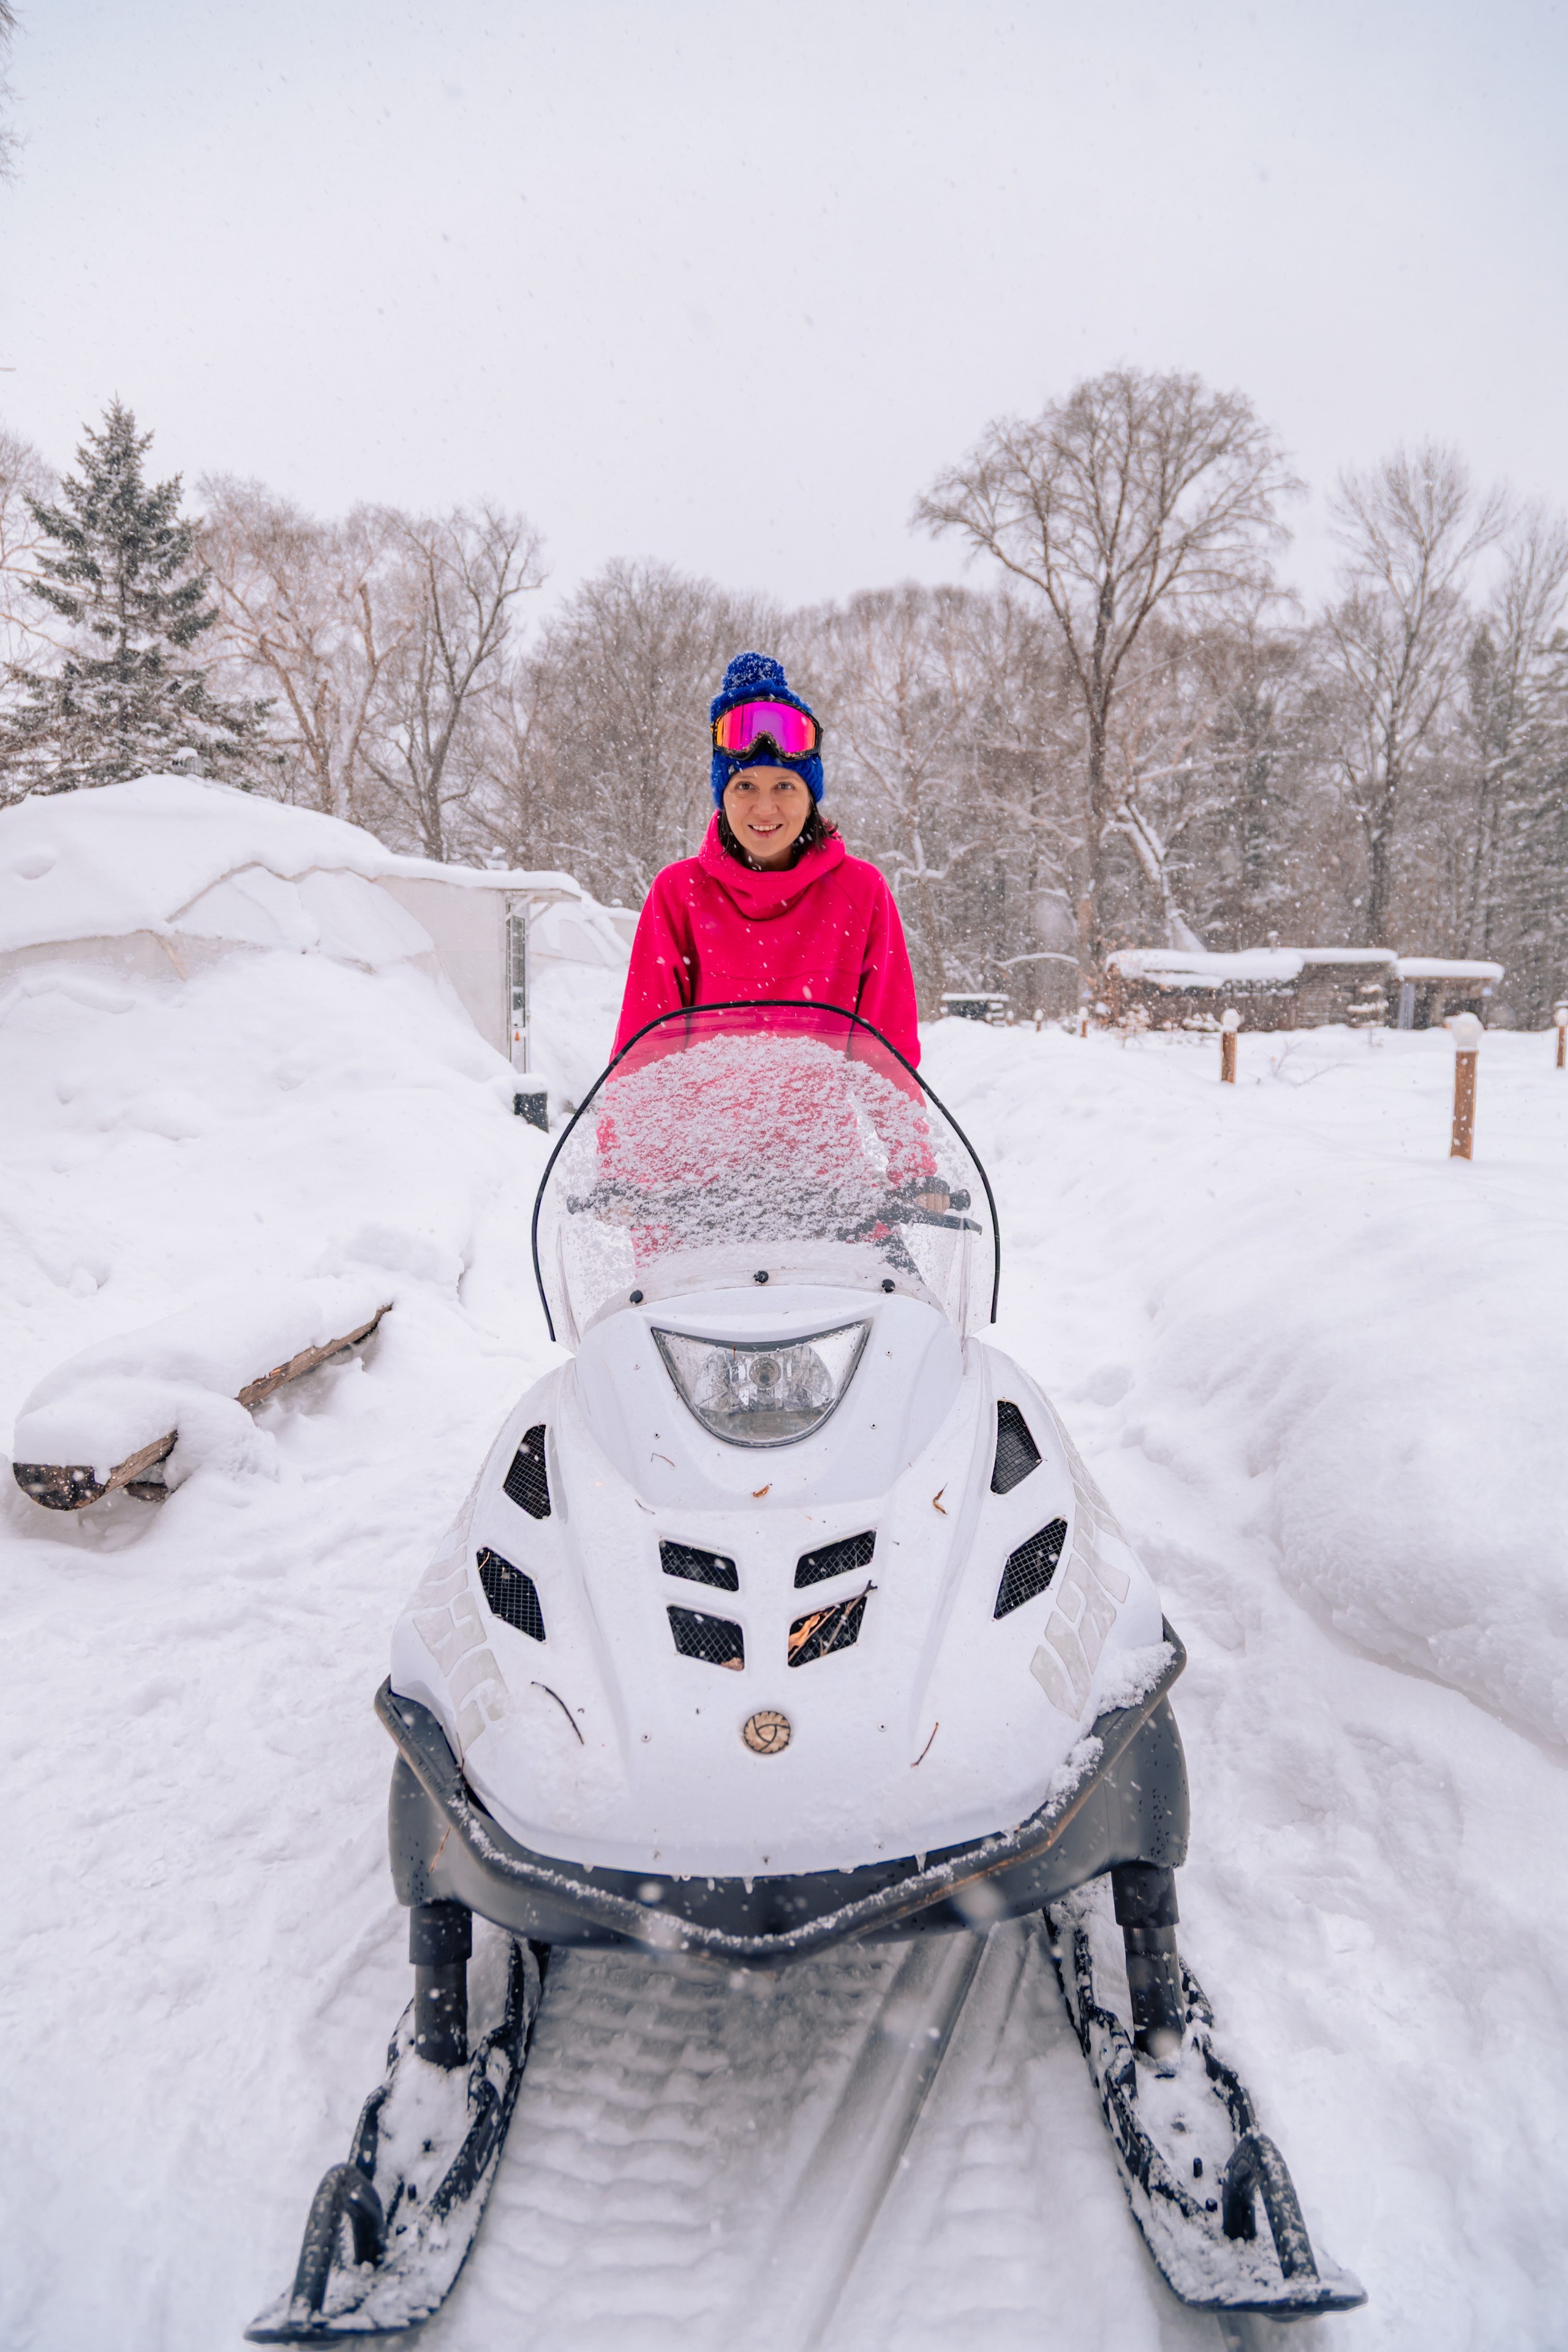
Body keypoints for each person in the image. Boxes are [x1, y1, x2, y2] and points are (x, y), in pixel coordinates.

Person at [611, 652, 921, 1067]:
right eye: (745, 787)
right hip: (708, 1114)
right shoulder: (678, 894)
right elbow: (644, 1058)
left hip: (826, 1115)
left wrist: (899, 1113)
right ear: (723, 796)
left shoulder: (862, 893)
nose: (764, 808)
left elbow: (889, 1060)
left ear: (809, 797)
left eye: (784, 786)